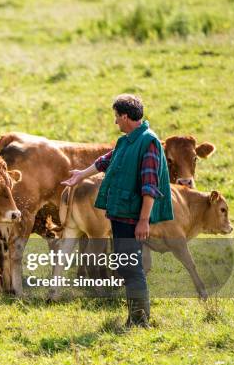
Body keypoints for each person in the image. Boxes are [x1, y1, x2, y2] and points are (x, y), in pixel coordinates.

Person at [61, 94, 173, 327]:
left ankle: (140, 320)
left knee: (130, 265)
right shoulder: (127, 140)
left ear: (125, 116)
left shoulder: (148, 142)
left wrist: (143, 220)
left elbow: (150, 187)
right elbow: (105, 160)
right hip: (120, 212)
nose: (115, 123)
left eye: (116, 117)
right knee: (124, 264)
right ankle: (136, 318)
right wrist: (81, 174)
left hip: (133, 216)